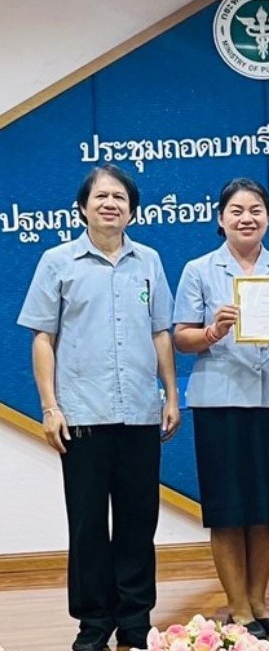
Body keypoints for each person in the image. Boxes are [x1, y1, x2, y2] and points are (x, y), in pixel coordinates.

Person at [17, 164, 180, 651]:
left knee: (138, 521)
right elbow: (43, 337)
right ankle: (93, 622)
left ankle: (135, 619)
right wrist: (50, 407)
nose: (110, 204)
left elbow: (160, 332)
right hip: (82, 415)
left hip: (139, 413)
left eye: (120, 198)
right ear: (83, 207)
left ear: (132, 209)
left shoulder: (148, 260)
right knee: (88, 524)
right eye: (101, 197)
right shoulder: (57, 261)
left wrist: (171, 394)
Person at [172, 177, 269, 639]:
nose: (247, 218)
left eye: (255, 210)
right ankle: (238, 608)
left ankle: (260, 601)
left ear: (268, 218)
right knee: (228, 509)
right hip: (220, 402)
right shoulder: (198, 270)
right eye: (236, 210)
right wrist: (211, 332)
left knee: (266, 508)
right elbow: (181, 337)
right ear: (220, 219)